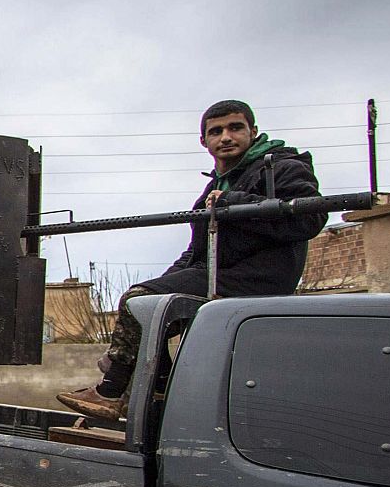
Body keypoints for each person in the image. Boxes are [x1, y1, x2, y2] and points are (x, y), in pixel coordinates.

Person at [58, 99, 326, 421]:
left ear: (253, 132)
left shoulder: (280, 166)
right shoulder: (216, 185)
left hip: (257, 275)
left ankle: (110, 393)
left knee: (137, 302)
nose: (226, 137)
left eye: (235, 128)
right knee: (147, 301)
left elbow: (310, 217)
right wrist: (161, 282)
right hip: (217, 270)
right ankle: (157, 386)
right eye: (216, 131)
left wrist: (233, 202)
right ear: (204, 141)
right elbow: (195, 251)